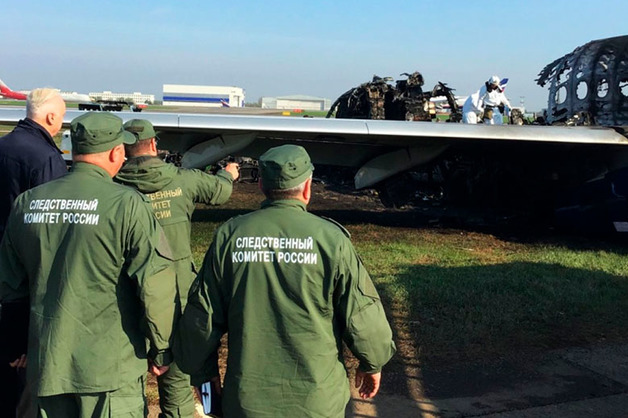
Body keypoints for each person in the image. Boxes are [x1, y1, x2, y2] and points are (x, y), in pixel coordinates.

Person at [174, 144, 396, 417]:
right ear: (307, 187)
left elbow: (202, 318)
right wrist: (372, 362)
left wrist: (203, 376)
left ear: (261, 187)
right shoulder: (331, 240)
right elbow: (362, 315)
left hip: (248, 401)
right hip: (317, 402)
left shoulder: (230, 236)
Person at [0, 112, 177, 418]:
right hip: (108, 371)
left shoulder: (27, 203)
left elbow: (10, 285)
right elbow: (154, 285)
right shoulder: (127, 205)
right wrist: (161, 348)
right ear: (115, 152)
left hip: (46, 366)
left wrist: (15, 344)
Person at [115, 118, 239, 418]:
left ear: (122, 149)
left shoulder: (114, 187)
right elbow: (220, 193)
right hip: (176, 299)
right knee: (187, 373)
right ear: (155, 145)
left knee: (126, 387)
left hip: (125, 301)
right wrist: (228, 174)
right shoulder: (183, 180)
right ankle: (207, 409)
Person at [0, 88, 68, 417]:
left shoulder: (4, 145)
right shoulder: (46, 158)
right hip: (24, 274)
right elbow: (51, 229)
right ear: (51, 117)